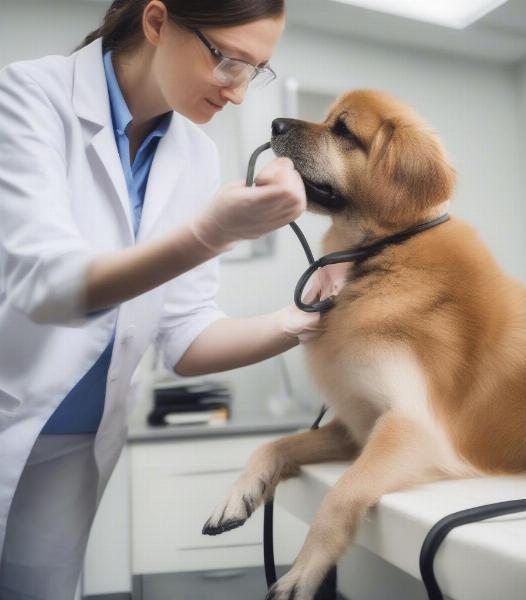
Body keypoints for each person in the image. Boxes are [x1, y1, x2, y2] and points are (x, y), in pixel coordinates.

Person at [0, 1, 328, 598]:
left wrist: (304, 318)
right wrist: (211, 233)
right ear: (157, 22)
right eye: (229, 61)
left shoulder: (195, 155)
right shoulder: (29, 95)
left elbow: (185, 339)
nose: (238, 94)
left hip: (79, 442)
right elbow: (45, 286)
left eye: (256, 70)